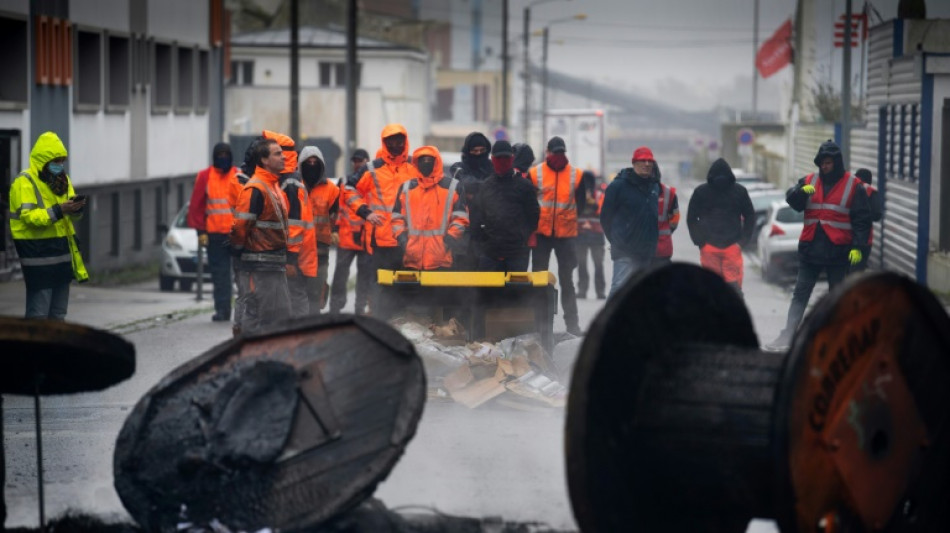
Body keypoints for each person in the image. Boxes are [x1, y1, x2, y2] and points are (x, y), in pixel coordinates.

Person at [766, 140, 871, 351]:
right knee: (800, 294)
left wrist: (858, 249)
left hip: (839, 252)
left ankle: (837, 339)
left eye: (828, 162)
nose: (824, 166)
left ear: (837, 163)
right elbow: (792, 201)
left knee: (837, 298)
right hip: (810, 249)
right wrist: (800, 192)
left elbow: (862, 221)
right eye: (822, 162)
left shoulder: (853, 185)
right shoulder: (809, 181)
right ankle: (788, 335)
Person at [342, 124, 419, 319]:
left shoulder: (415, 166)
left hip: (409, 241)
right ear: (384, 143)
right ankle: (381, 325)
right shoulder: (372, 168)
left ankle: (408, 328)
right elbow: (349, 188)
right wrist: (364, 212)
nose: (395, 145)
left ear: (405, 141)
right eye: (390, 141)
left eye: (399, 141)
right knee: (380, 289)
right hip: (381, 241)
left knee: (409, 288)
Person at [9, 131, 88, 319]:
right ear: (43, 160)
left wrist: (75, 209)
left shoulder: (62, 181)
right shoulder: (25, 181)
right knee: (39, 315)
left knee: (58, 314)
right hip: (38, 256)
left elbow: (69, 218)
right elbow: (29, 218)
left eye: (62, 161)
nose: (59, 166)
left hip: (61, 255)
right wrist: (60, 210)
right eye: (56, 161)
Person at [528, 136, 594, 336]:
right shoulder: (535, 173)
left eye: (560, 152)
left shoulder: (576, 175)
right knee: (540, 281)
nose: (557, 156)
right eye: (555, 152)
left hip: (565, 236)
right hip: (542, 234)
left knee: (566, 281)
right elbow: (529, 202)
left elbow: (581, 204)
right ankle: (539, 326)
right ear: (548, 152)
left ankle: (571, 326)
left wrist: (569, 219)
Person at [230, 138, 292, 333]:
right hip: (259, 267)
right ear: (264, 160)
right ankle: (251, 357)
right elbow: (240, 227)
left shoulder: (273, 187)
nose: (283, 157)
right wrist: (239, 253)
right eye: (277, 154)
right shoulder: (255, 189)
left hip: (273, 265)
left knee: (280, 316)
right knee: (259, 316)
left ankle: (268, 357)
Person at [187, 142, 243, 322]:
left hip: (236, 235)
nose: (223, 158)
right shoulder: (205, 177)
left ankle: (242, 309)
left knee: (241, 274)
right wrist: (200, 232)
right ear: (214, 157)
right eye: (220, 154)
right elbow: (197, 206)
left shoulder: (238, 175)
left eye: (226, 154)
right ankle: (222, 309)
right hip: (215, 235)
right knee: (220, 276)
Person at [264, 130, 317, 318]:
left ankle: (299, 342)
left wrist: (290, 260)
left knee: (295, 301)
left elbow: (294, 226)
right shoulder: (285, 181)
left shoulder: (290, 183)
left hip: (294, 258)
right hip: (292, 256)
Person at [391, 146, 468, 271]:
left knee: (439, 291)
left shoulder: (452, 187)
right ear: (416, 162)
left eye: (429, 160)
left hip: (441, 260)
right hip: (412, 259)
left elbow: (461, 218)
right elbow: (396, 218)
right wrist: (403, 240)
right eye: (422, 160)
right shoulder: (406, 188)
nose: (426, 163)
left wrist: (449, 240)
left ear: (436, 162)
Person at [686, 158, 755, 293]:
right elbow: (750, 216)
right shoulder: (739, 191)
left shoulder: (701, 192)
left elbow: (692, 218)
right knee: (733, 288)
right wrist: (742, 242)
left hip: (711, 247)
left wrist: (700, 241)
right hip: (731, 246)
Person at [470, 140, 540, 272]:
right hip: (490, 253)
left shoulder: (525, 186)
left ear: (512, 159)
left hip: (517, 253)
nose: (502, 162)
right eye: (499, 158)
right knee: (488, 292)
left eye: (506, 158)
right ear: (492, 159)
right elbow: (476, 217)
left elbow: (533, 216)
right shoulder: (485, 187)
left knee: (515, 292)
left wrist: (521, 237)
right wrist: (482, 243)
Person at [601, 146, 660, 297]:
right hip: (624, 250)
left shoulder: (654, 186)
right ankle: (610, 320)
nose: (647, 164)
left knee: (641, 294)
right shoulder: (617, 186)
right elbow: (605, 218)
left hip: (646, 252)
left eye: (650, 161)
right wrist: (617, 240)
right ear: (634, 163)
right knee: (619, 290)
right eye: (642, 161)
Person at [329, 149, 372, 314]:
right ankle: (335, 307)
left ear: (367, 161)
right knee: (340, 274)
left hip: (365, 237)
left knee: (364, 275)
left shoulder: (372, 181)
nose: (357, 163)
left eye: (360, 160)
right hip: (346, 237)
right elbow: (335, 207)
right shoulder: (344, 181)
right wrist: (334, 230)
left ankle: (360, 308)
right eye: (355, 160)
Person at [300, 145, 339, 314]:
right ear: (301, 164)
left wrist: (336, 231)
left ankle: (313, 324)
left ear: (321, 164)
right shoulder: (294, 186)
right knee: (298, 293)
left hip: (320, 248)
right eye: (308, 162)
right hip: (297, 248)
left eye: (315, 162)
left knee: (316, 291)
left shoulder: (332, 190)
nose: (312, 165)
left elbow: (336, 216)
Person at [448, 132, 494, 270]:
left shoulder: (494, 168)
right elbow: (465, 182)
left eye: (482, 151)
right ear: (468, 151)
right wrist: (485, 188)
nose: (479, 154)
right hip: (464, 234)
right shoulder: (458, 168)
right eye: (474, 151)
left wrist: (475, 192)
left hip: (488, 233)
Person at [575, 172, 607, 299]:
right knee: (581, 264)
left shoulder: (600, 196)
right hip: (580, 235)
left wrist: (591, 203)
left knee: (598, 265)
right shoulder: (577, 196)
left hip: (596, 236)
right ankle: (582, 290)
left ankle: (600, 291)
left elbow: (603, 212)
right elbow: (574, 212)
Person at [852, 168, 883, 272]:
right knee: (857, 271)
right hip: (865, 240)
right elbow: (877, 215)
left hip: (846, 238)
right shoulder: (871, 191)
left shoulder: (849, 188)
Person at [651, 164, 680, 267]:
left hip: (641, 250)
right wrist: (667, 231)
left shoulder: (635, 193)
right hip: (663, 248)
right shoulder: (669, 193)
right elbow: (675, 219)